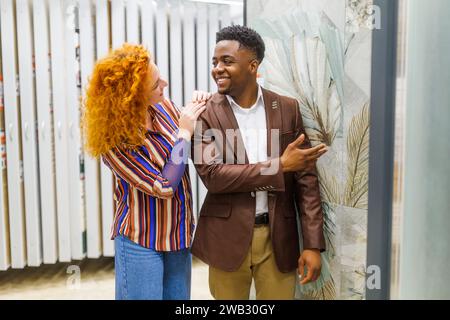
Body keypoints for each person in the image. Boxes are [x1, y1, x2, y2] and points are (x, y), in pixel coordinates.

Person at [191, 25, 328, 300]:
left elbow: (306, 181)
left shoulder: (287, 108)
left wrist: (313, 245)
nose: (217, 68)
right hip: (226, 239)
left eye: (227, 61)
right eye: (215, 62)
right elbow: (214, 177)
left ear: (253, 66)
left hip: (278, 239)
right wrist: (278, 166)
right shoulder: (204, 114)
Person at [82, 43, 210, 300]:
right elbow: (164, 186)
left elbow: (190, 146)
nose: (164, 83)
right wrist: (184, 131)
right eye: (155, 84)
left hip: (177, 234)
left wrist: (201, 106)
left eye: (159, 75)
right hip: (141, 240)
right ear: (133, 97)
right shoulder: (114, 141)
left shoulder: (164, 108)